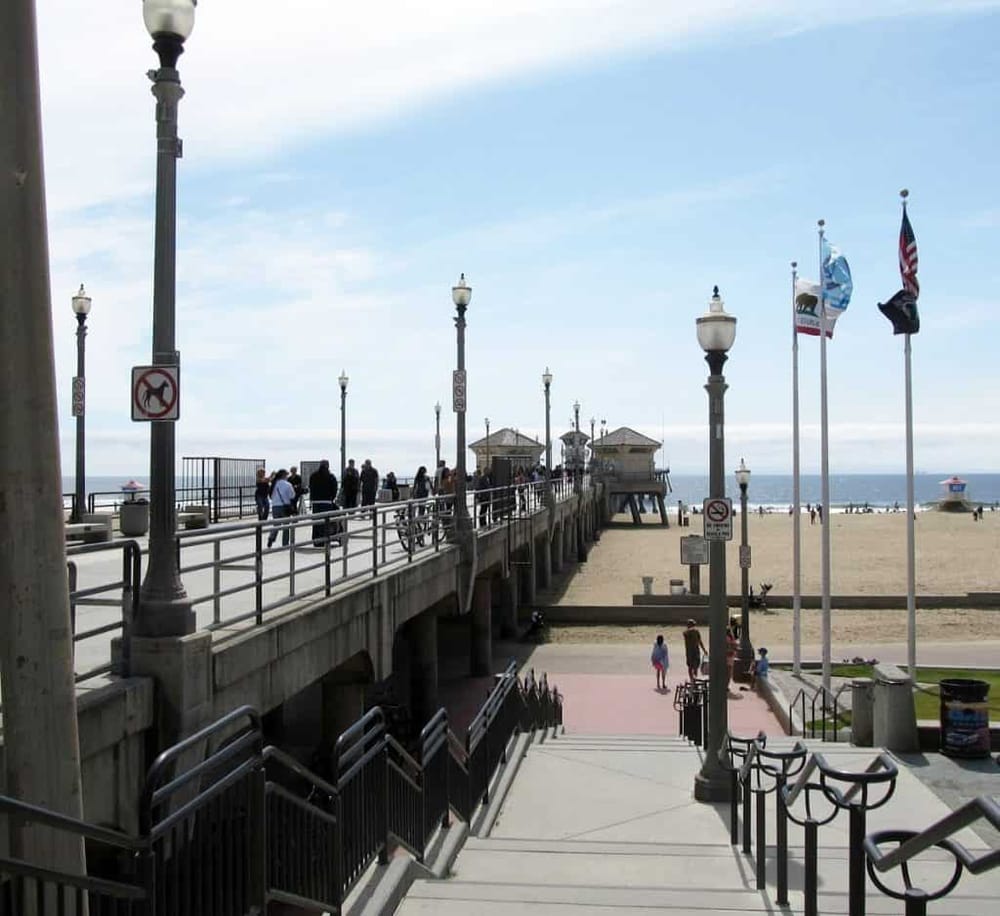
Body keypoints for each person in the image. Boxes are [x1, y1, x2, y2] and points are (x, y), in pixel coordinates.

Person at [308, 460, 339, 546]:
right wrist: (331, 498)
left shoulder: (313, 476)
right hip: (326, 502)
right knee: (325, 522)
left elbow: (311, 487)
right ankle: (323, 539)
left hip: (315, 501)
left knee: (316, 521)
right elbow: (335, 489)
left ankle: (316, 540)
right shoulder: (330, 476)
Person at [267, 469, 296, 548]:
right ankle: (285, 544)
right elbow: (292, 496)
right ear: (284, 475)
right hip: (284, 506)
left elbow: (271, 496)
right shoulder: (288, 484)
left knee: (276, 524)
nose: (287, 476)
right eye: (286, 475)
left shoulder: (274, 484)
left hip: (275, 506)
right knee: (286, 526)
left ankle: (271, 538)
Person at [725, 626, 739, 692]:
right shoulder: (731, 638)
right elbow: (736, 646)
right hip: (730, 656)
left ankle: (723, 685)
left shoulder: (722, 638)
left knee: (724, 672)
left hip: (723, 656)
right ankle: (726, 686)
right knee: (728, 672)